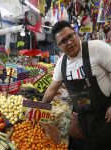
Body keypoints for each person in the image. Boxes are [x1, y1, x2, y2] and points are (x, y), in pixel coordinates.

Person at [42, 20, 111, 150]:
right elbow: (51, 90)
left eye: (70, 36)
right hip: (82, 121)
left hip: (105, 119)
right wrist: (38, 110)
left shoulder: (97, 48)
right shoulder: (61, 64)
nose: (69, 42)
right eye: (63, 41)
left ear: (76, 33)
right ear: (58, 46)